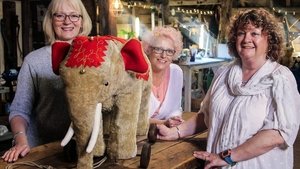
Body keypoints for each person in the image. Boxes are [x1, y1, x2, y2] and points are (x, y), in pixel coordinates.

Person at [157, 8, 300, 169]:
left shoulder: (280, 78)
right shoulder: (224, 73)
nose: (246, 39)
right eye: (241, 33)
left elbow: (278, 134)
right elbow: (205, 115)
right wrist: (175, 132)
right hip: (217, 164)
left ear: (270, 40)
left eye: (254, 33)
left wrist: (229, 157)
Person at [2, 0, 92, 163]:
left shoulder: (95, 59)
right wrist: (21, 141)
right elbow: (19, 110)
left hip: (84, 148)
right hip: (42, 149)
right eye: (60, 15)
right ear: (50, 20)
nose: (67, 21)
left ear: (82, 21)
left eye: (74, 16)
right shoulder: (34, 61)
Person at [141, 26, 184, 127]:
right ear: (149, 49)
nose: (163, 56)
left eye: (169, 51)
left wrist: (175, 118)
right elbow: (134, 119)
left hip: (166, 134)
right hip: (138, 136)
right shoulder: (139, 75)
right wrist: (163, 123)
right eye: (158, 49)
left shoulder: (176, 73)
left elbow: (175, 109)